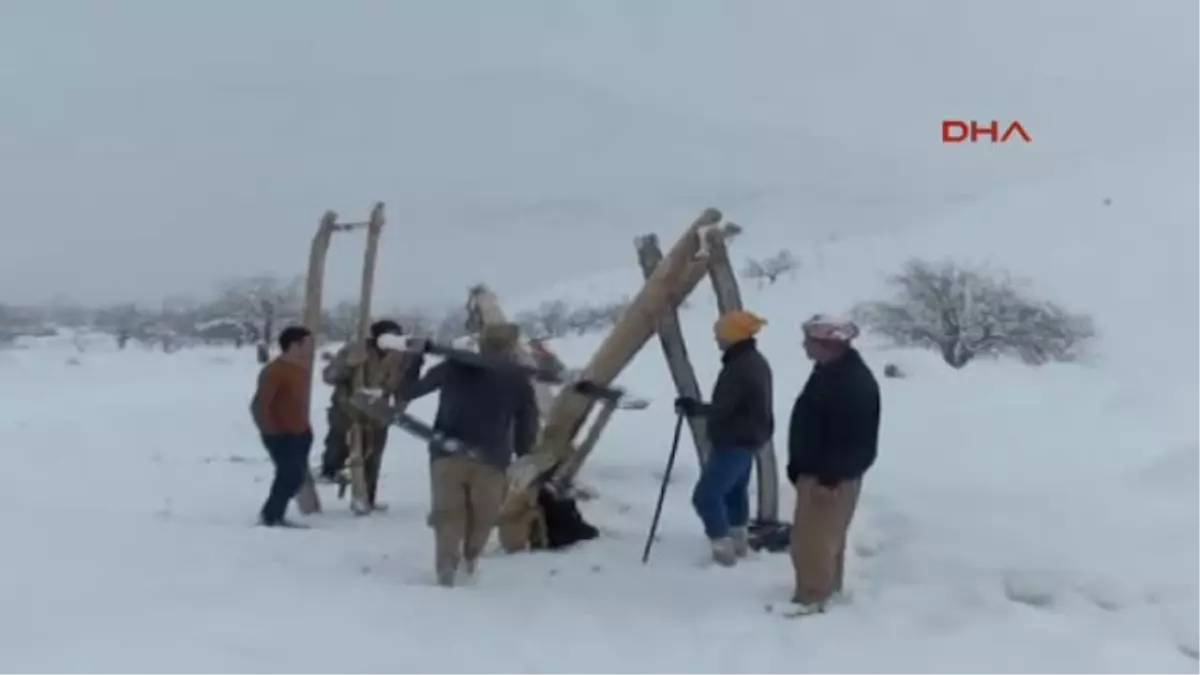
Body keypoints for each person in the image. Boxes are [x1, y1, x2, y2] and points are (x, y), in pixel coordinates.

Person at [400, 322, 539, 587]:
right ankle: (468, 561)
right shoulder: (517, 378)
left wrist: (414, 360)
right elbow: (526, 422)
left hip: (446, 451)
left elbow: (409, 391)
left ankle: (447, 567)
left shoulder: (454, 366)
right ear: (512, 347)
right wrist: (523, 455)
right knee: (483, 517)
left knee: (447, 513)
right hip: (491, 459)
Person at [786, 314, 881, 614]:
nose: (804, 346)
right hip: (823, 472)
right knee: (825, 539)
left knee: (811, 542)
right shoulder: (831, 372)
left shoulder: (850, 383)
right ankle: (826, 590)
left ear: (828, 345)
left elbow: (849, 437)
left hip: (830, 476)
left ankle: (812, 599)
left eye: (809, 341)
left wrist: (829, 479)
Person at [674, 309, 774, 566]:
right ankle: (738, 541)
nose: (716, 340)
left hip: (735, 441)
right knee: (734, 493)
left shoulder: (741, 367)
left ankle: (723, 550)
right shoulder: (752, 360)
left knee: (706, 497)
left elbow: (724, 407)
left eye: (719, 335)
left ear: (733, 336)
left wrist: (694, 408)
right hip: (748, 438)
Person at [320, 319, 423, 512]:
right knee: (339, 442)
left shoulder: (404, 357)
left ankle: (367, 498)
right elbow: (329, 376)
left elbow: (407, 386)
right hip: (347, 407)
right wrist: (346, 367)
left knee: (373, 457)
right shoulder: (355, 350)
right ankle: (332, 471)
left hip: (378, 412)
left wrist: (398, 408)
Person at [251, 325, 315, 528]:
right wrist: (272, 431)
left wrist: (305, 430)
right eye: (308, 344)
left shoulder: (301, 370)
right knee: (289, 474)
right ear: (294, 345)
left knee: (295, 476)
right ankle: (271, 516)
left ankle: (275, 514)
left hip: (301, 433)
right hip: (280, 434)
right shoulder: (274, 371)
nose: (312, 348)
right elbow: (259, 406)